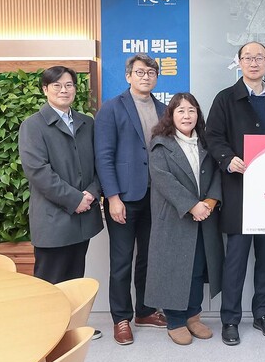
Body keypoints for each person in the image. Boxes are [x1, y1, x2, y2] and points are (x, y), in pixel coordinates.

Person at [205, 41, 265, 345]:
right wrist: (228, 159)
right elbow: (212, 136)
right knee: (236, 260)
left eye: (259, 58)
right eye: (248, 58)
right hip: (238, 192)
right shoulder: (225, 98)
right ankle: (230, 319)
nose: (254, 63)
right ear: (239, 62)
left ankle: (262, 315)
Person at [19, 66, 104, 339]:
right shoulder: (33, 125)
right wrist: (75, 199)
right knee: (51, 280)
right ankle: (46, 336)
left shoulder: (86, 123)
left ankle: (72, 329)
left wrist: (91, 193)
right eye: (56, 86)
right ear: (45, 89)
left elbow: (99, 165)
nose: (63, 90)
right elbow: (38, 172)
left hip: (83, 217)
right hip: (53, 219)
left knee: (75, 277)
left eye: (68, 85)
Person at [95, 53, 168, 345]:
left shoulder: (164, 110)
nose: (145, 77)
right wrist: (112, 197)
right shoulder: (111, 108)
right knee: (122, 260)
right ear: (128, 76)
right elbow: (104, 156)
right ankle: (121, 318)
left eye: (151, 72)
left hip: (156, 197)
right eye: (140, 72)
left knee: (149, 258)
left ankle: (145, 311)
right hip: (124, 198)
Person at [144, 93, 224, 345]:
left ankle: (193, 315)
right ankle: (175, 320)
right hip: (174, 218)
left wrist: (210, 201)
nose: (187, 116)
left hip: (204, 217)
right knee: (175, 269)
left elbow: (217, 173)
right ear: (171, 115)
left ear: (198, 114)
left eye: (191, 110)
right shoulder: (161, 144)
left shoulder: (205, 142)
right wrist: (192, 206)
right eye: (181, 111)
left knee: (198, 268)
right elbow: (163, 180)